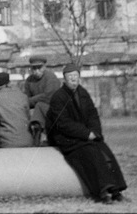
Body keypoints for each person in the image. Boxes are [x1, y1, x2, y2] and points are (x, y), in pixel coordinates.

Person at [46, 63, 127, 203]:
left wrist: (95, 132)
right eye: (70, 77)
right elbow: (63, 124)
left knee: (104, 151)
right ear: (64, 79)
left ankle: (116, 191)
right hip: (67, 139)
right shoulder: (58, 97)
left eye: (76, 76)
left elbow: (92, 114)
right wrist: (86, 134)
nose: (73, 79)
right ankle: (102, 192)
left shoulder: (83, 93)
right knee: (90, 153)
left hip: (84, 136)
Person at [23, 55, 61, 146]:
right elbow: (25, 98)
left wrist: (31, 101)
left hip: (52, 110)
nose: (36, 71)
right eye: (34, 68)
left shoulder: (51, 78)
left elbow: (48, 97)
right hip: (37, 111)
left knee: (39, 105)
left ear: (44, 67)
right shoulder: (29, 80)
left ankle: (39, 135)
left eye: (39, 68)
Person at [0, 72, 33, 148]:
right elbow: (28, 117)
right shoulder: (23, 96)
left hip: (6, 143)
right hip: (27, 141)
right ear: (9, 83)